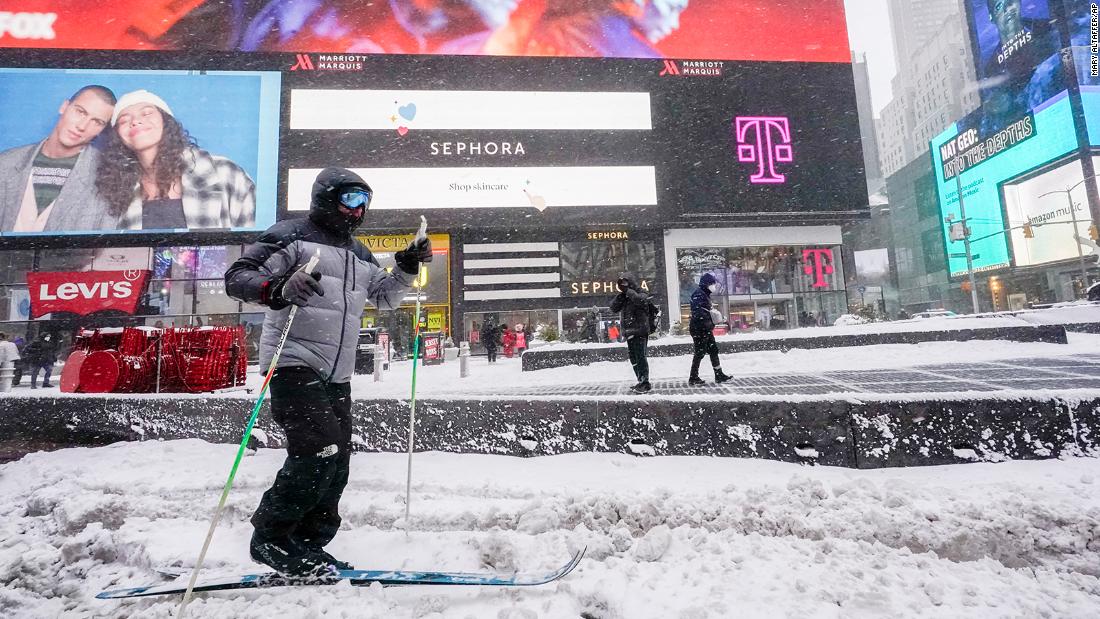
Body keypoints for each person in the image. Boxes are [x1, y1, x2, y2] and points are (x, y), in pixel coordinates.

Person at [224, 167, 429, 576]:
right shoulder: (290, 236)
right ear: (325, 197)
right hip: (292, 361)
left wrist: (405, 267)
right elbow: (238, 277)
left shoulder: (359, 252)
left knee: (337, 459)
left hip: (337, 373)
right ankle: (271, 538)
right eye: (351, 199)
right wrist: (279, 288)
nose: (358, 210)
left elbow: (384, 299)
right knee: (318, 448)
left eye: (365, 202)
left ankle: (308, 542)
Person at [96, 89, 256, 231]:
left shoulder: (224, 172)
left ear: (166, 122)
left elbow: (258, 246)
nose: (135, 121)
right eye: (124, 120)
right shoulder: (115, 191)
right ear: (117, 137)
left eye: (147, 113)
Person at [0, 85, 118, 232]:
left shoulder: (108, 176)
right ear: (64, 106)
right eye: (80, 111)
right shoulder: (5, 162)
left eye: (97, 122)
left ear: (102, 130)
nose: (82, 126)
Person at [609, 272, 652, 394]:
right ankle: (640, 381)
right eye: (621, 284)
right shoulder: (625, 297)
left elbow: (641, 300)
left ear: (631, 282)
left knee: (641, 357)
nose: (623, 286)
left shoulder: (641, 292)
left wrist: (628, 291)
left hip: (640, 331)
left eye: (625, 283)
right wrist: (621, 295)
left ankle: (645, 382)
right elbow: (613, 308)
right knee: (634, 358)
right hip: (629, 332)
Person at [688, 273, 731, 386]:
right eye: (712, 284)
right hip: (699, 329)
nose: (714, 286)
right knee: (700, 352)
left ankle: (718, 374)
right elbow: (698, 314)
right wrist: (712, 318)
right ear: (706, 284)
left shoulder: (704, 294)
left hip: (704, 328)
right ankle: (693, 377)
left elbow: (703, 312)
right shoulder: (699, 295)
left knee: (713, 350)